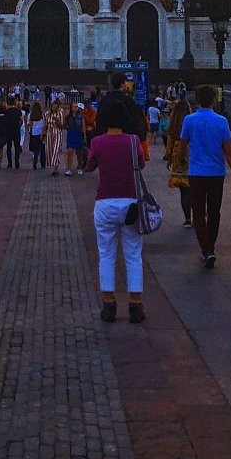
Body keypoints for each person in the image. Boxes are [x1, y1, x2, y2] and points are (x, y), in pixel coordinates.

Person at [84, 96, 146, 324]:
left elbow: (90, 166)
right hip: (130, 203)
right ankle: (135, 305)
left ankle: (109, 304)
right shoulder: (133, 141)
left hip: (105, 203)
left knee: (106, 254)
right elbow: (141, 164)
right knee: (133, 255)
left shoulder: (98, 142)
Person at [178, 85, 231, 267]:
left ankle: (206, 249)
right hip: (216, 173)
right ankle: (210, 247)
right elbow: (229, 152)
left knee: (198, 212)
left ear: (197, 99)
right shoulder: (221, 121)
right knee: (214, 212)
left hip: (196, 173)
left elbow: (183, 145)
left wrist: (181, 161)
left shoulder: (189, 120)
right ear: (214, 99)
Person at [164, 96, 192, 226]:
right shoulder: (192, 123)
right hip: (192, 157)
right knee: (195, 188)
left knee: (184, 191)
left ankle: (187, 218)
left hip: (177, 157)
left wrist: (169, 158)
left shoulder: (174, 124)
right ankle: (198, 214)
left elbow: (169, 144)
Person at [95, 72, 147, 140]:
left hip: (107, 139)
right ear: (122, 84)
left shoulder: (104, 100)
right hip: (126, 139)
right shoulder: (129, 101)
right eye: (126, 82)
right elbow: (134, 122)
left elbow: (99, 121)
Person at [46, 99, 66, 177]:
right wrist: (43, 133)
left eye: (55, 107)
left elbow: (62, 126)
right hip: (49, 133)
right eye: (53, 107)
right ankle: (55, 168)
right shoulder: (47, 114)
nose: (54, 108)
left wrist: (57, 121)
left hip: (58, 132)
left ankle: (55, 166)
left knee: (56, 149)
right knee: (50, 150)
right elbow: (45, 124)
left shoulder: (60, 114)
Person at [65, 103, 84, 175]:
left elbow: (83, 126)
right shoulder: (68, 117)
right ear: (71, 108)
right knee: (70, 151)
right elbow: (64, 125)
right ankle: (69, 169)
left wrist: (84, 136)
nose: (76, 108)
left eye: (77, 107)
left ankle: (79, 167)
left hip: (78, 134)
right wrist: (68, 128)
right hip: (71, 134)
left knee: (79, 152)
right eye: (75, 107)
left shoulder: (80, 116)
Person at [4, 98, 23, 170]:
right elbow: (21, 121)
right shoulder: (18, 111)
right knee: (17, 147)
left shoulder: (6, 112)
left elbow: (4, 121)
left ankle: (10, 163)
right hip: (16, 130)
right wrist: (18, 126)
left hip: (8, 131)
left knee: (9, 147)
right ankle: (17, 162)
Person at [29, 101, 45, 170]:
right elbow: (44, 124)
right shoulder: (42, 114)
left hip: (34, 133)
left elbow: (29, 124)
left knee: (36, 149)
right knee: (42, 149)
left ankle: (35, 163)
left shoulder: (31, 115)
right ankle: (43, 163)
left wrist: (30, 131)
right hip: (41, 133)